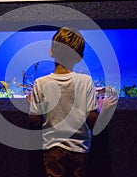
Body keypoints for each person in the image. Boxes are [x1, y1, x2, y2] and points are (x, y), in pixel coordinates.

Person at [29, 27, 117, 177]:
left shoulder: (40, 83)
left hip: (52, 149)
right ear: (79, 57)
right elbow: (92, 121)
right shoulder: (86, 82)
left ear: (51, 51)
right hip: (80, 149)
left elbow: (35, 121)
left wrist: (32, 105)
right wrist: (104, 110)